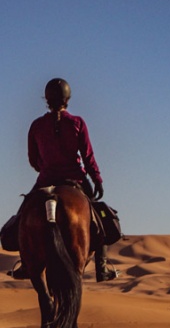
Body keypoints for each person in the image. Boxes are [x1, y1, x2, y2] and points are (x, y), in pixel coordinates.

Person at [8, 78, 119, 282]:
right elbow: (88, 155)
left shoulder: (37, 125)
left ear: (47, 100)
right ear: (67, 99)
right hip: (75, 179)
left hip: (45, 180)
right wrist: (97, 179)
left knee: (23, 216)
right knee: (100, 219)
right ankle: (102, 267)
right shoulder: (77, 122)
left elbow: (33, 160)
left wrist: (47, 167)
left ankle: (25, 262)